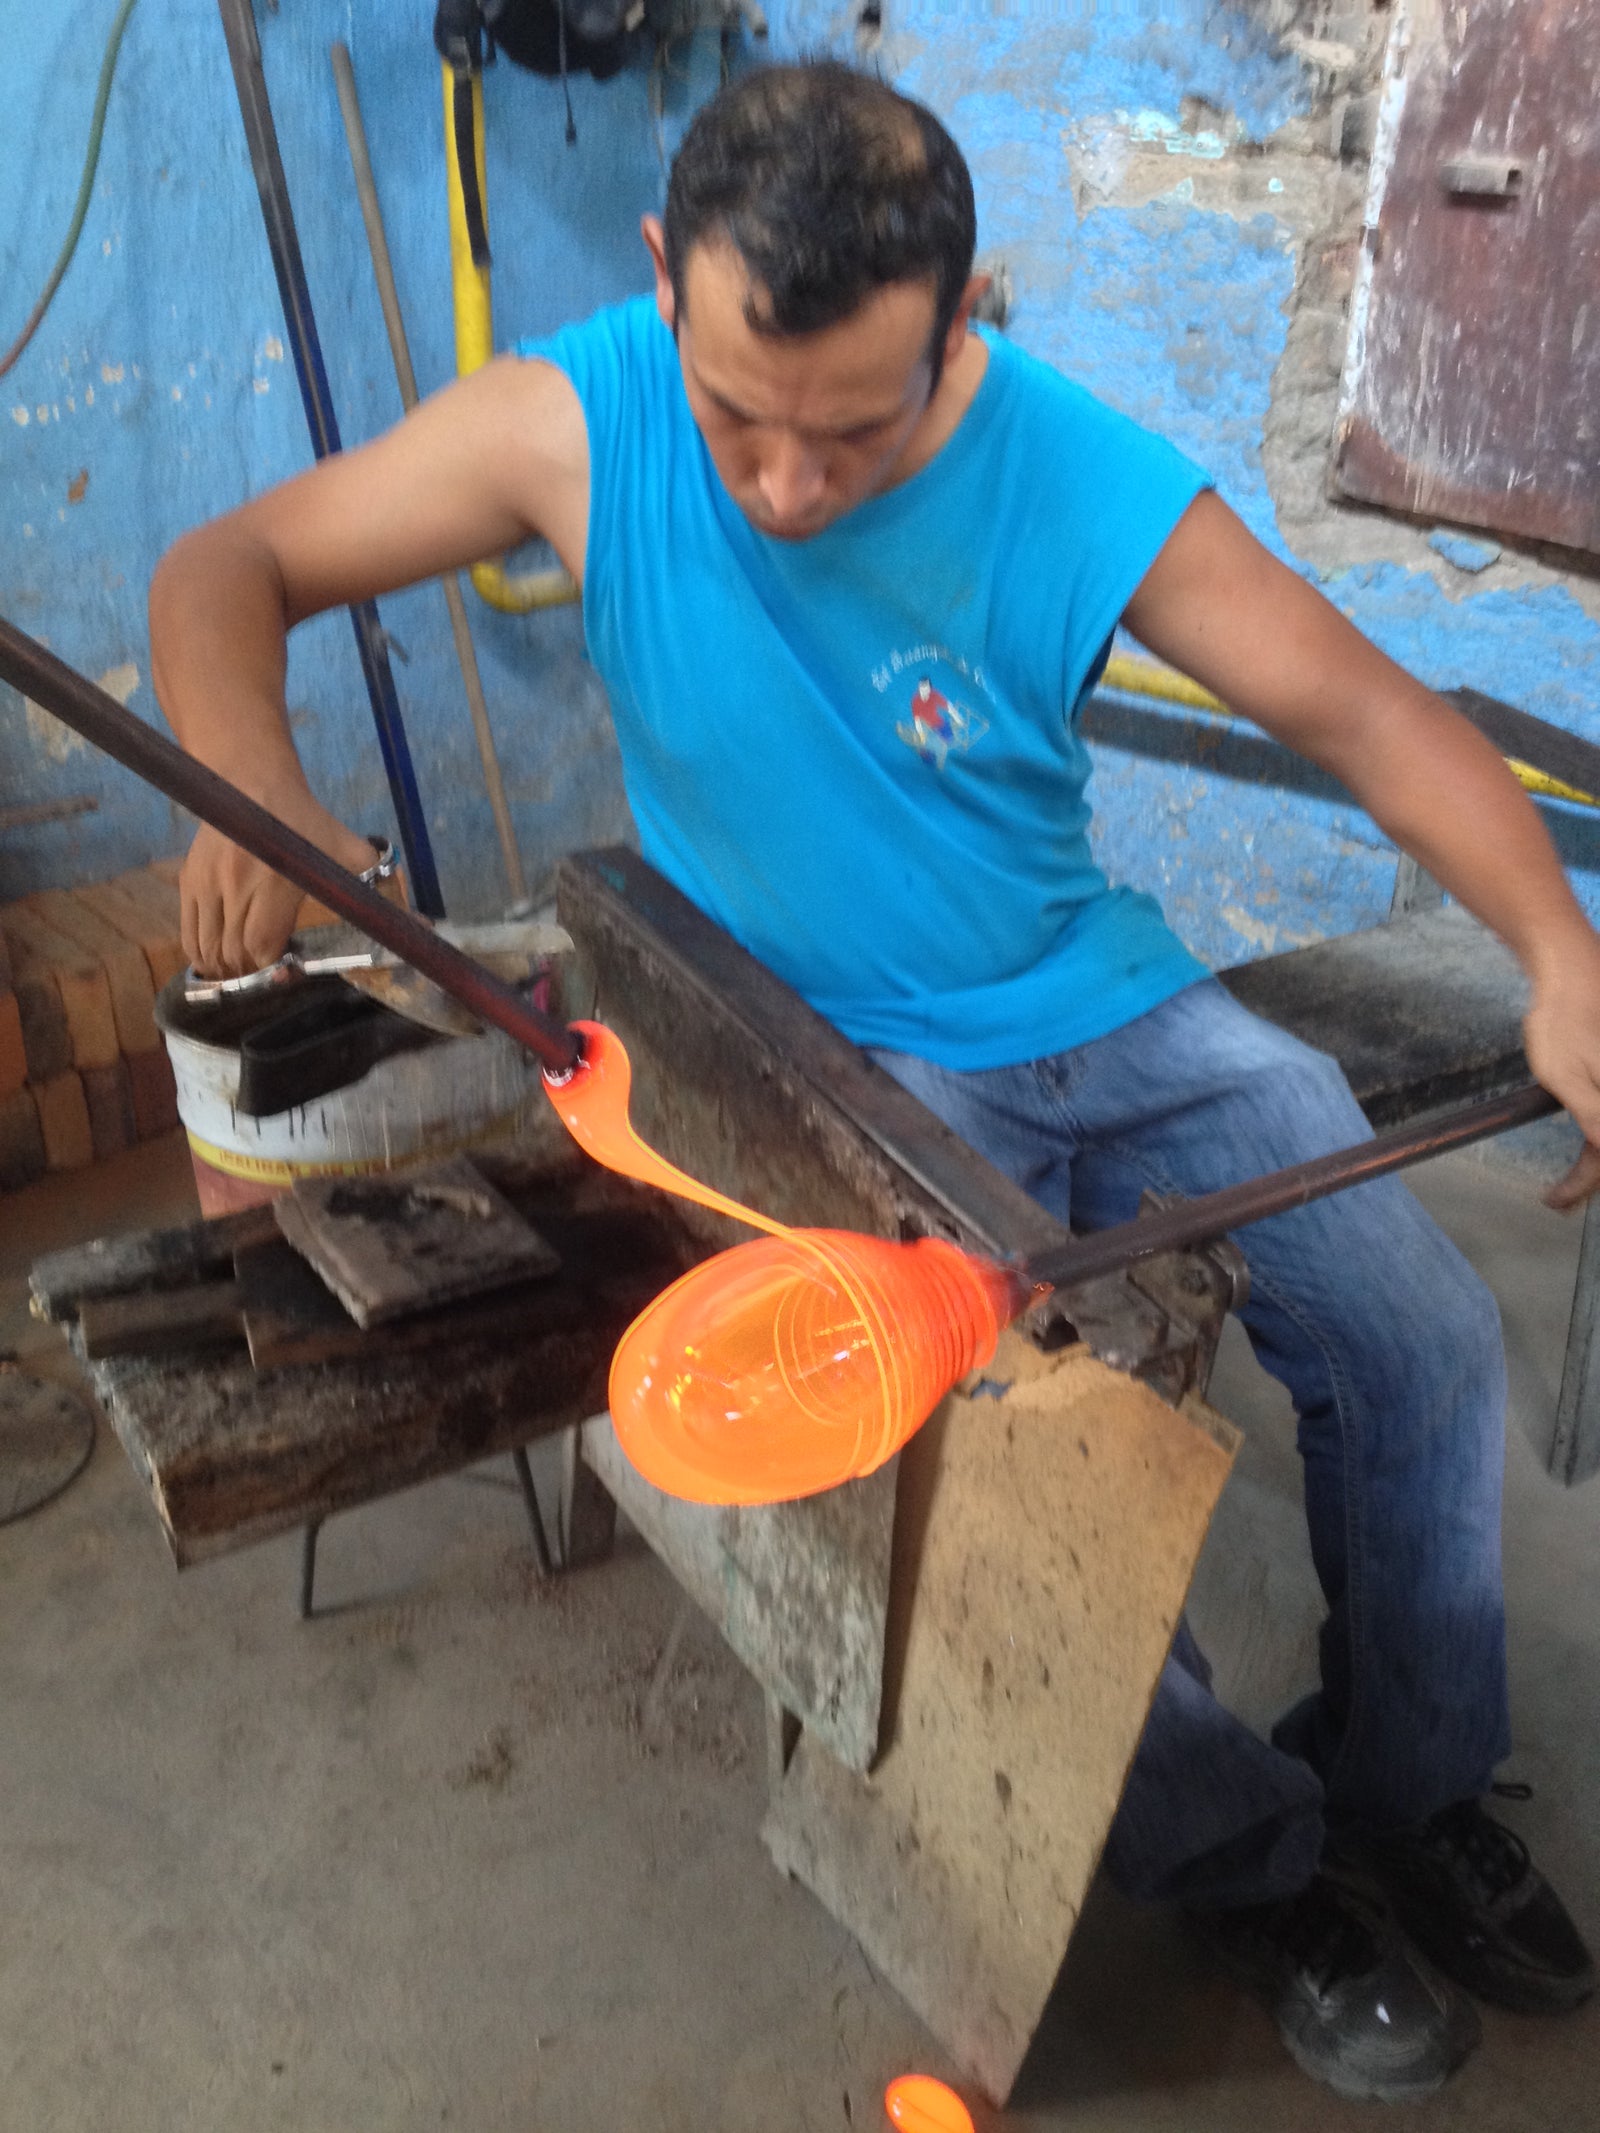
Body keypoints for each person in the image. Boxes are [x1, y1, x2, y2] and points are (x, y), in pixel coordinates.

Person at [150, 58, 1597, 2103]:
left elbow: (1368, 714)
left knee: (1425, 1335)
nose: (782, 487)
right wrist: (252, 788)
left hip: (1102, 1000)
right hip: (833, 1059)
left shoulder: (1072, 471)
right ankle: (1247, 1862)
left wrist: (1558, 953)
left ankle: (1408, 1790)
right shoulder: (575, 421)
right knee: (1014, 1455)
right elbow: (227, 569)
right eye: (739, 414)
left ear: (961, 320)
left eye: (854, 428)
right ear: (667, 279)